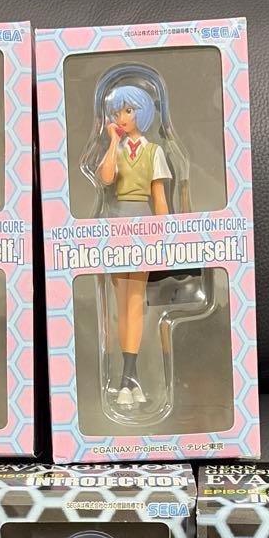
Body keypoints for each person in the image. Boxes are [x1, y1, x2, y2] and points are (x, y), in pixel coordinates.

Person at [95, 84, 171, 408]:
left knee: (135, 303)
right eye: (117, 112)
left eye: (127, 110)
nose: (122, 117)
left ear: (141, 111)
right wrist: (113, 141)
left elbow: (159, 198)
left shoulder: (155, 152)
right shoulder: (117, 148)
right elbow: (106, 178)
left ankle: (127, 380)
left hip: (143, 226)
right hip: (116, 226)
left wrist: (166, 236)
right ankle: (130, 380)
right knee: (121, 304)